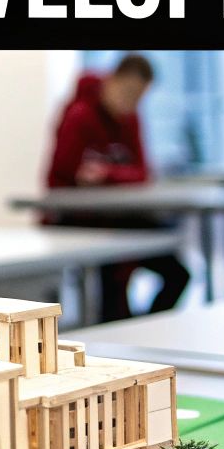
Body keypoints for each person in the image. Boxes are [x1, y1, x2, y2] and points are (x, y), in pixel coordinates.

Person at [44, 54, 190, 321]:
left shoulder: (130, 118)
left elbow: (143, 173)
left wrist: (107, 173)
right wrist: (112, 176)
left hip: (120, 219)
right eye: (127, 92)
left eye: (138, 97)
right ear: (111, 81)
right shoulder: (80, 115)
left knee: (177, 272)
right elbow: (64, 176)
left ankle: (143, 331)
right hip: (80, 221)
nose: (130, 102)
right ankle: (120, 336)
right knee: (115, 281)